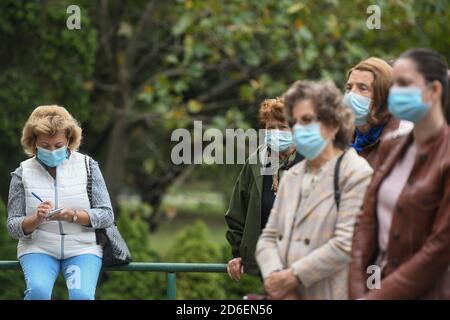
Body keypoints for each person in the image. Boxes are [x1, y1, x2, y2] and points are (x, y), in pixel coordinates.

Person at [256, 80, 373, 299]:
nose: (299, 128)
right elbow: (268, 237)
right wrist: (275, 277)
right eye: (295, 121)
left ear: (333, 124)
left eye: (308, 120)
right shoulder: (291, 176)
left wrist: (293, 277)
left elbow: (345, 243)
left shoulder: (356, 173)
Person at [349, 48, 450, 299]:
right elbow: (366, 222)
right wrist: (356, 288)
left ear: (435, 90)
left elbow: (439, 247)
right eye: (395, 86)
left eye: (405, 84)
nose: (395, 93)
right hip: (372, 285)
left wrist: (379, 296)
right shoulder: (391, 145)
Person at [7, 105, 114, 300]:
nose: (52, 151)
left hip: (83, 248)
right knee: (38, 291)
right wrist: (36, 219)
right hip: (38, 248)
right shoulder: (22, 173)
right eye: (45, 146)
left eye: (58, 145)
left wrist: (73, 215)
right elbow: (13, 227)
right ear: (33, 143)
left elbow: (107, 215)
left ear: (69, 141)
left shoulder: (88, 166)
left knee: (82, 296)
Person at [225, 97, 303, 281]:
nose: (275, 133)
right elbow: (237, 212)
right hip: (268, 264)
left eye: (282, 127)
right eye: (270, 128)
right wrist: (237, 252)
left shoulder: (311, 160)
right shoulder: (257, 162)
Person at [344, 57, 413, 167]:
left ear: (383, 95)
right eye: (349, 87)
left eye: (363, 88)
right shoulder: (341, 138)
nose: (352, 94)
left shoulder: (405, 137)